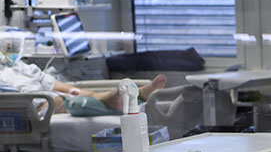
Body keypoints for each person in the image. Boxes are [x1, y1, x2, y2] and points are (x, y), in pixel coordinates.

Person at [0, 52, 166, 116]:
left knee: (80, 94)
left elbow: (44, 79)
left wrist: (74, 90)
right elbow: (12, 101)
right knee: (62, 100)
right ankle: (121, 97)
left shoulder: (8, 62)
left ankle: (110, 97)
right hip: (36, 108)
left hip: (50, 94)